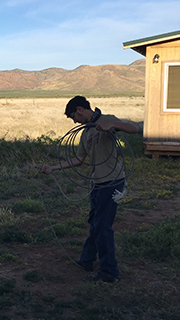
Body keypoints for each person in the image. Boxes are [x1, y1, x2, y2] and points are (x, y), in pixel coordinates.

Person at [40, 95, 138, 282]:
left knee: (102, 228)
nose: (74, 121)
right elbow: (79, 160)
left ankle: (109, 272)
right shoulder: (85, 133)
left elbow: (134, 129)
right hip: (97, 183)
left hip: (112, 182)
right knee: (95, 224)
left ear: (80, 110)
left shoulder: (107, 119)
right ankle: (87, 259)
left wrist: (112, 126)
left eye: (73, 117)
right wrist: (52, 168)